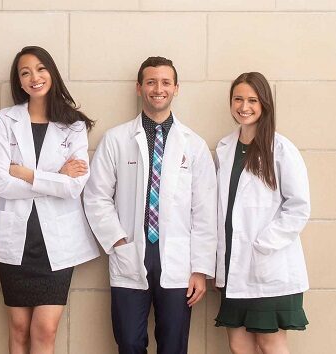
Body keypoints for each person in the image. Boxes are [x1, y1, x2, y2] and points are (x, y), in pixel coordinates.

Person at [83, 56, 217, 354]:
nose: (159, 88)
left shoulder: (193, 145)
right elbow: (96, 195)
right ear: (139, 87)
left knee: (173, 345)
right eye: (151, 82)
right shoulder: (116, 139)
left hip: (179, 260)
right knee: (129, 342)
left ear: (176, 88)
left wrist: (200, 269)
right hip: (129, 250)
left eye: (166, 82)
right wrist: (117, 240)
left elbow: (205, 211)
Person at [0, 46, 100, 354]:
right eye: (25, 73)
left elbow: (74, 186)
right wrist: (55, 176)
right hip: (16, 242)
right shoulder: (4, 120)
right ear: (19, 81)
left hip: (57, 245)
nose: (34, 77)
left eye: (40, 69)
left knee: (45, 329)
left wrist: (24, 172)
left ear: (51, 71)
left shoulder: (74, 124)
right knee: (19, 329)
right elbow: (0, 183)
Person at [214, 72, 310, 354]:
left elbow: (299, 206)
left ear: (264, 104)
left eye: (252, 100)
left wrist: (264, 243)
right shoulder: (224, 148)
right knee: (238, 345)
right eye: (238, 99)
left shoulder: (281, 149)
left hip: (269, 265)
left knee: (270, 344)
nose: (244, 106)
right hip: (233, 265)